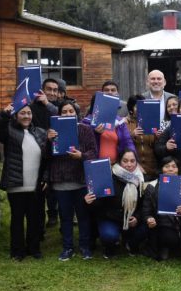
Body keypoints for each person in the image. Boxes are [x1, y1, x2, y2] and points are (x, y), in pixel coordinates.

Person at [45, 100, 98, 261]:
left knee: (83, 216)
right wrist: (48, 141)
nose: (68, 114)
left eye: (71, 111)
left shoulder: (86, 129)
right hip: (61, 181)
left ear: (76, 114)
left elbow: (93, 153)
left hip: (81, 180)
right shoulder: (53, 132)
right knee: (66, 217)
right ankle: (67, 247)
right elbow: (46, 156)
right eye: (64, 112)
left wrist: (81, 156)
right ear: (59, 115)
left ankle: (84, 246)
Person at [0, 101, 48, 261]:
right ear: (16, 115)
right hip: (16, 184)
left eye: (29, 113)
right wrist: (4, 115)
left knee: (35, 219)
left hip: (36, 185)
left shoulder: (40, 132)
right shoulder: (9, 131)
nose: (26, 116)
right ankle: (17, 251)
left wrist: (45, 177)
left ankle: (34, 248)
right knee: (17, 219)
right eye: (22, 113)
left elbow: (47, 158)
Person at [84, 148, 147, 259]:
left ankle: (131, 244)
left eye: (132, 161)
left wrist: (137, 218)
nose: (129, 164)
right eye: (125, 161)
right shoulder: (109, 177)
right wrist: (90, 201)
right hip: (111, 218)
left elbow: (144, 205)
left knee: (147, 226)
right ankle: (109, 247)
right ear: (119, 161)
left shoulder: (141, 179)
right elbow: (100, 207)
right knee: (109, 235)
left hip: (131, 219)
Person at [142, 156, 181, 267]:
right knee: (169, 238)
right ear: (161, 169)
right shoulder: (152, 187)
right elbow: (146, 211)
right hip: (163, 224)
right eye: (167, 166)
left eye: (174, 167)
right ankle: (165, 247)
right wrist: (149, 218)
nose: (171, 169)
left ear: (178, 170)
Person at [84, 81, 135, 163]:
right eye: (106, 90)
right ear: (101, 94)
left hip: (116, 164)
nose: (110, 92)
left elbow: (127, 142)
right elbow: (84, 142)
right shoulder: (87, 121)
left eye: (113, 90)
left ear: (117, 94)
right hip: (95, 164)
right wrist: (95, 133)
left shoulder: (119, 121)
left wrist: (133, 159)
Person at [33, 77, 60, 230]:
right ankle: (40, 223)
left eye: (55, 90)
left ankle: (53, 214)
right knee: (41, 186)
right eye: (49, 89)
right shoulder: (33, 107)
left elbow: (65, 117)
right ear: (43, 90)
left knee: (54, 185)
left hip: (56, 152)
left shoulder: (59, 106)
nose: (52, 92)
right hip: (39, 152)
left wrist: (47, 104)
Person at [126, 94, 162, 181]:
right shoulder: (126, 123)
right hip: (134, 170)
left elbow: (158, 148)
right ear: (131, 109)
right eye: (136, 106)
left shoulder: (152, 122)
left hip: (152, 169)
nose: (140, 109)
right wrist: (132, 135)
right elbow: (122, 144)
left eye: (142, 106)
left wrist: (158, 137)